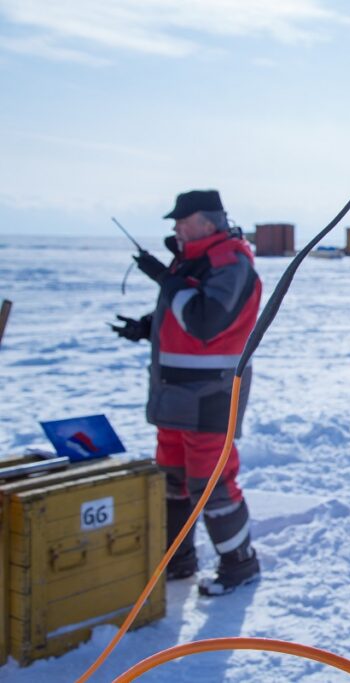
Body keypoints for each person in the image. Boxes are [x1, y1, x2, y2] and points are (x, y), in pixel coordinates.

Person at [112, 189, 262, 597]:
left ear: (208, 222)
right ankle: (178, 559)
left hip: (210, 394)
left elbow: (205, 320)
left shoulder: (230, 262)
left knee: (211, 482)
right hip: (174, 393)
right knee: (172, 477)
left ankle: (240, 564)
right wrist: (146, 327)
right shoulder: (194, 261)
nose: (176, 227)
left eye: (183, 220)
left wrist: (165, 278)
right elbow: (183, 311)